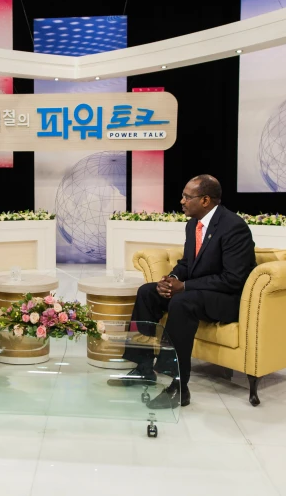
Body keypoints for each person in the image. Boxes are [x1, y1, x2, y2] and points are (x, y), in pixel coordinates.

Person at [109, 175, 256, 409]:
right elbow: (188, 263)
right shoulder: (193, 225)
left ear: (206, 200)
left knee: (182, 302)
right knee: (147, 292)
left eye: (187, 197)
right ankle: (143, 367)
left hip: (227, 299)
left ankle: (179, 386)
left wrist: (185, 287)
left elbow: (233, 279)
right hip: (199, 293)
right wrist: (173, 279)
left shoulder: (234, 227)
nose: (182, 201)